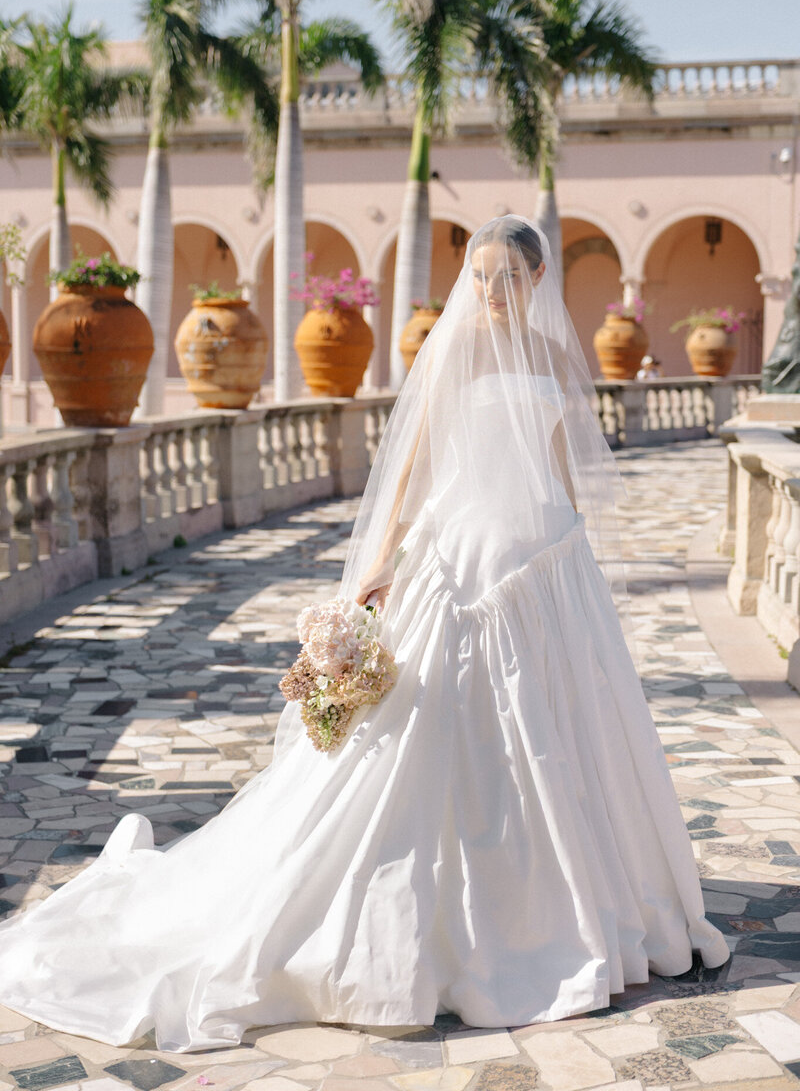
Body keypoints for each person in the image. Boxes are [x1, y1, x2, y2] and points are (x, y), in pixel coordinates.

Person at [0, 216, 728, 1052]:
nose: (492, 291)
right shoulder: (451, 351)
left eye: (508, 278)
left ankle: (557, 900)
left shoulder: (559, 356)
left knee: (561, 727)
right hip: (458, 557)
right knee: (431, 731)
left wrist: (573, 549)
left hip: (545, 556)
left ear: (535, 282)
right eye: (480, 276)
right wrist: (380, 566)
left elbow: (561, 461)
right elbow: (416, 461)